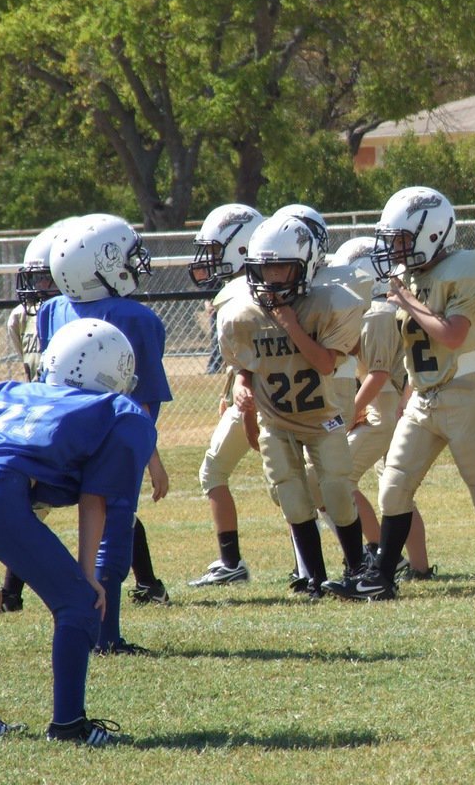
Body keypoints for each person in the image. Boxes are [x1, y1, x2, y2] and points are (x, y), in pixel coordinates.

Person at [0, 318, 154, 745]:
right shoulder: (114, 410)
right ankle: (69, 726)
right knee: (79, 602)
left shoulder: (5, 391)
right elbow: (95, 499)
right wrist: (88, 575)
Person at [326, 186, 475, 600]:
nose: (398, 250)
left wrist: (406, 300)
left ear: (431, 233)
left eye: (404, 240)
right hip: (424, 398)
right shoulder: (413, 277)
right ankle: (382, 578)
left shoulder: (468, 268)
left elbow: (453, 333)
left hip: (465, 391)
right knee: (393, 486)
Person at [37, 214, 172, 654]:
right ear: (102, 264)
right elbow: (143, 398)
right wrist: (146, 454)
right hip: (112, 432)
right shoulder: (135, 317)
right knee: (114, 524)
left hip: (58, 433)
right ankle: (107, 632)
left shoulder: (51, 309)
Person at [215, 214, 368, 598]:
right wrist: (241, 387)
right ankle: (314, 578)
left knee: (335, 492)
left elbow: (325, 363)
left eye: (281, 266)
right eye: (265, 267)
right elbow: (247, 365)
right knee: (292, 498)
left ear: (307, 264)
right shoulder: (243, 311)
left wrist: (290, 324)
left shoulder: (327, 303)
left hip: (322, 417)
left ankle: (356, 569)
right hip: (276, 419)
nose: (272, 276)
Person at [331, 237, 433, 580]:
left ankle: (377, 551)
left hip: (381, 413)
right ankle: (418, 566)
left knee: (336, 481)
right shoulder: (379, 311)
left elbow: (377, 375)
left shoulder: (376, 315)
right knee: (398, 494)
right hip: (387, 409)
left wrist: (350, 414)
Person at [184, 203, 264, 588]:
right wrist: (227, 388)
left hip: (266, 396)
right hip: (254, 393)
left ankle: (367, 554)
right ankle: (370, 552)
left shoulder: (248, 292)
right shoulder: (251, 287)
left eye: (217, 251)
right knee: (300, 484)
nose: (210, 261)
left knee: (300, 486)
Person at [0, 218, 70, 612]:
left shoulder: (71, 315)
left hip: (69, 418)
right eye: (34, 279)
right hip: (37, 416)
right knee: (30, 507)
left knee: (109, 505)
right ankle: (11, 595)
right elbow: (29, 369)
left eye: (46, 279)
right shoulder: (20, 316)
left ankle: (147, 581)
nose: (37, 288)